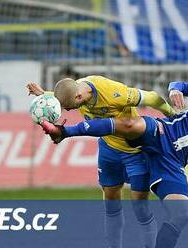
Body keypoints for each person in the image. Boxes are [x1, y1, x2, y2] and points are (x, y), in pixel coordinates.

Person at [39, 77, 188, 248]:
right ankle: (64, 132)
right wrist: (175, 91)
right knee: (131, 124)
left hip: (172, 163)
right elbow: (180, 85)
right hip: (162, 131)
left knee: (181, 215)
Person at [27, 75, 177, 248]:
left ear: (78, 98)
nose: (67, 111)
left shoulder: (112, 92)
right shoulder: (77, 91)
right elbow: (68, 92)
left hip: (135, 151)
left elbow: (152, 97)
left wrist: (172, 115)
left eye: (67, 108)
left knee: (140, 208)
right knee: (111, 202)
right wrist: (45, 94)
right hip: (109, 150)